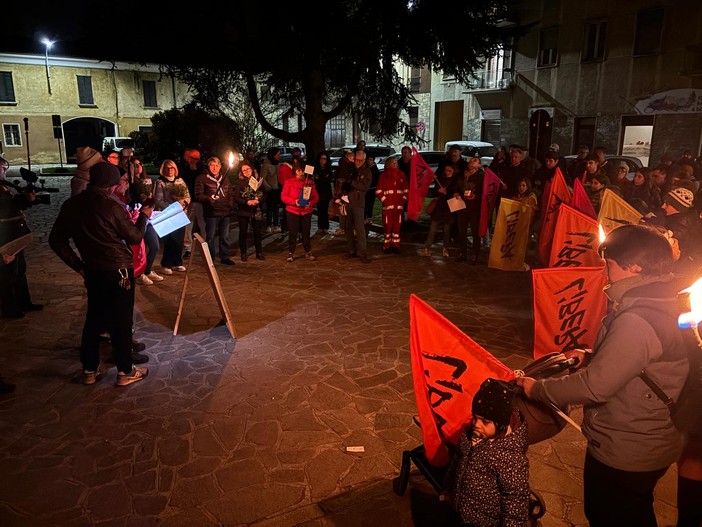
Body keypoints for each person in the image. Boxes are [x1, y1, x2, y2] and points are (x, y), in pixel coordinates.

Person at [516, 224, 689, 527]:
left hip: (628, 447)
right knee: (633, 511)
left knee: (610, 515)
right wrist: (593, 357)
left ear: (634, 266)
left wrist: (537, 390)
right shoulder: (665, 302)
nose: (605, 271)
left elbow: (595, 387)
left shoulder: (638, 319)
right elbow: (643, 361)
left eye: (609, 263)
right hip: (651, 441)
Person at [49, 163, 151, 386]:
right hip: (118, 271)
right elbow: (134, 237)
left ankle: (89, 369)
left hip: (93, 270)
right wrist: (144, 216)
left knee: (94, 319)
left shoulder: (71, 205)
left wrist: (79, 266)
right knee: (121, 320)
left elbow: (56, 240)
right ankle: (125, 371)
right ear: (111, 185)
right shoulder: (111, 206)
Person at [443, 377, 530, 527]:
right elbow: (458, 461)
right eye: (475, 418)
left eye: (485, 421)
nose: (476, 425)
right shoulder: (469, 435)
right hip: (461, 509)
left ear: (501, 423)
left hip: (485, 521)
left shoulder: (511, 458)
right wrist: (447, 488)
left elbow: (515, 500)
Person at [0, 157, 42, 318]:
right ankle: (10, 308)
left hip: (15, 235)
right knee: (7, 274)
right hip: (5, 236)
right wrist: (23, 199)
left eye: (4, 166)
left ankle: (24, 302)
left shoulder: (3, 185)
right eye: (1, 167)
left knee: (19, 270)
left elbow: (13, 206)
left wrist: (27, 200)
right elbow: (5, 208)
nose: (4, 170)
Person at [195, 156, 236, 265]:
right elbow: (198, 195)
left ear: (220, 166)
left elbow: (230, 193)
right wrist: (209, 199)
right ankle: (210, 258)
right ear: (208, 166)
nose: (214, 168)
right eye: (212, 165)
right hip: (211, 212)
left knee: (225, 236)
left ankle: (225, 257)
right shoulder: (202, 178)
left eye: (217, 165)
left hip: (225, 211)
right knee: (210, 237)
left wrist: (230, 205)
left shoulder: (225, 178)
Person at [153, 159, 190, 274]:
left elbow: (187, 195)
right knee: (170, 240)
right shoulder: (160, 182)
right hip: (168, 214)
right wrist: (172, 207)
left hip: (180, 213)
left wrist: (184, 203)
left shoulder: (180, 181)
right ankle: (166, 263)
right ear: (163, 169)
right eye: (167, 168)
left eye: (172, 168)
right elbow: (158, 200)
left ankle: (177, 262)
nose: (170, 170)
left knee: (179, 240)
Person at [131, 157, 163, 286]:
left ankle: (148, 269)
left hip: (148, 217)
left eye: (140, 164)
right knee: (139, 249)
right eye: (134, 165)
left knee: (155, 246)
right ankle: (139, 273)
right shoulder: (129, 183)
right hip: (136, 218)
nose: (138, 167)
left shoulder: (146, 181)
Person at [421, 164, 462, 258]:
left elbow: (456, 191)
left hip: (448, 209)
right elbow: (434, 191)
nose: (447, 171)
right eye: (446, 170)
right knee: (432, 229)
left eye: (450, 170)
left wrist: (453, 194)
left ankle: (445, 248)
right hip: (439, 208)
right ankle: (427, 248)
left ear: (453, 171)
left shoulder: (455, 181)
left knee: (447, 231)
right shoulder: (440, 179)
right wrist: (438, 191)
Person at [281, 164, 318, 262]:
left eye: (302, 170)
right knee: (293, 233)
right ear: (295, 172)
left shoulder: (309, 182)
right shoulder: (289, 182)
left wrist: (310, 203)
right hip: (293, 211)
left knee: (306, 233)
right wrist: (294, 201)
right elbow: (284, 197)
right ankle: (291, 252)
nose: (300, 173)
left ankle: (308, 251)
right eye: (298, 171)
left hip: (306, 211)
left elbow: (315, 197)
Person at [341, 149, 373, 263]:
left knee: (360, 229)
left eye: (360, 160)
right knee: (348, 227)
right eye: (356, 160)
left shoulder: (367, 171)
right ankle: (351, 250)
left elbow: (365, 187)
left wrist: (352, 183)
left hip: (358, 203)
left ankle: (363, 252)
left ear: (364, 160)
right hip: (348, 201)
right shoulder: (350, 169)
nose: (357, 162)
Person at [375, 156, 407, 254]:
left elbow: (406, 191)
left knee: (397, 228)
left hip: (398, 208)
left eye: (396, 163)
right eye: (393, 163)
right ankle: (387, 246)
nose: (395, 164)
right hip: (387, 208)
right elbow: (379, 191)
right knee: (388, 227)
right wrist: (386, 202)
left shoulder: (402, 175)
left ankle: (396, 246)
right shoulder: (383, 176)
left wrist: (402, 202)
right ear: (388, 164)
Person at [234, 162, 266, 261]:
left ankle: (259, 252)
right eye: (243, 170)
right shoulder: (240, 182)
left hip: (256, 210)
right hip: (244, 210)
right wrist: (246, 201)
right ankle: (243, 253)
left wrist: (258, 200)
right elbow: (236, 197)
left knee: (257, 232)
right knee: (243, 232)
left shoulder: (257, 179)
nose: (246, 172)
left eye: (248, 169)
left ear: (252, 169)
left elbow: (264, 194)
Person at [456, 156, 484, 263]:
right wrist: (456, 192)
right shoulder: (463, 175)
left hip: (474, 208)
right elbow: (457, 186)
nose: (471, 162)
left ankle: (475, 254)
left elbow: (485, 192)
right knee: (461, 231)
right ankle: (462, 253)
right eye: (471, 160)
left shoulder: (481, 177)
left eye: (475, 161)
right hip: (462, 206)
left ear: (479, 165)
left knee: (475, 232)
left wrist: (475, 197)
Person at [178, 148, 205, 259]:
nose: (196, 161)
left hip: (199, 200)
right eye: (194, 158)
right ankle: (187, 248)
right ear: (187, 157)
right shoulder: (182, 167)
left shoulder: (200, 167)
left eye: (198, 159)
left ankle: (205, 246)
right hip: (187, 200)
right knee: (187, 225)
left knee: (203, 225)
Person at [332, 150, 355, 237]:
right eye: (352, 158)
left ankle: (345, 227)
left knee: (344, 210)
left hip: (343, 190)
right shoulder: (348, 166)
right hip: (344, 191)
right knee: (343, 209)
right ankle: (344, 227)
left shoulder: (344, 165)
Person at [261, 147, 282, 233]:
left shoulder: (278, 164)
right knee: (269, 208)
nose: (279, 156)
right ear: (273, 155)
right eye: (278, 154)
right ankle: (268, 225)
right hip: (270, 190)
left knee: (276, 208)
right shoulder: (266, 165)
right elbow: (263, 178)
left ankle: (276, 225)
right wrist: (267, 187)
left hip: (277, 189)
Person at [312, 151, 334, 235]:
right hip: (317, 192)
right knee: (320, 210)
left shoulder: (328, 169)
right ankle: (320, 227)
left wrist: (319, 179)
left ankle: (325, 227)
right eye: (321, 158)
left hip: (326, 192)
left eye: (324, 159)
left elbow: (327, 180)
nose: (323, 160)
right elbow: (313, 178)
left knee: (324, 210)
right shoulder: (315, 168)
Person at [364, 155, 380, 224]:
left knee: (370, 204)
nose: (369, 161)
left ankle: (369, 217)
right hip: (366, 189)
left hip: (372, 189)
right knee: (365, 204)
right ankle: (364, 217)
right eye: (368, 159)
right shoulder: (365, 168)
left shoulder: (374, 169)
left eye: (370, 159)